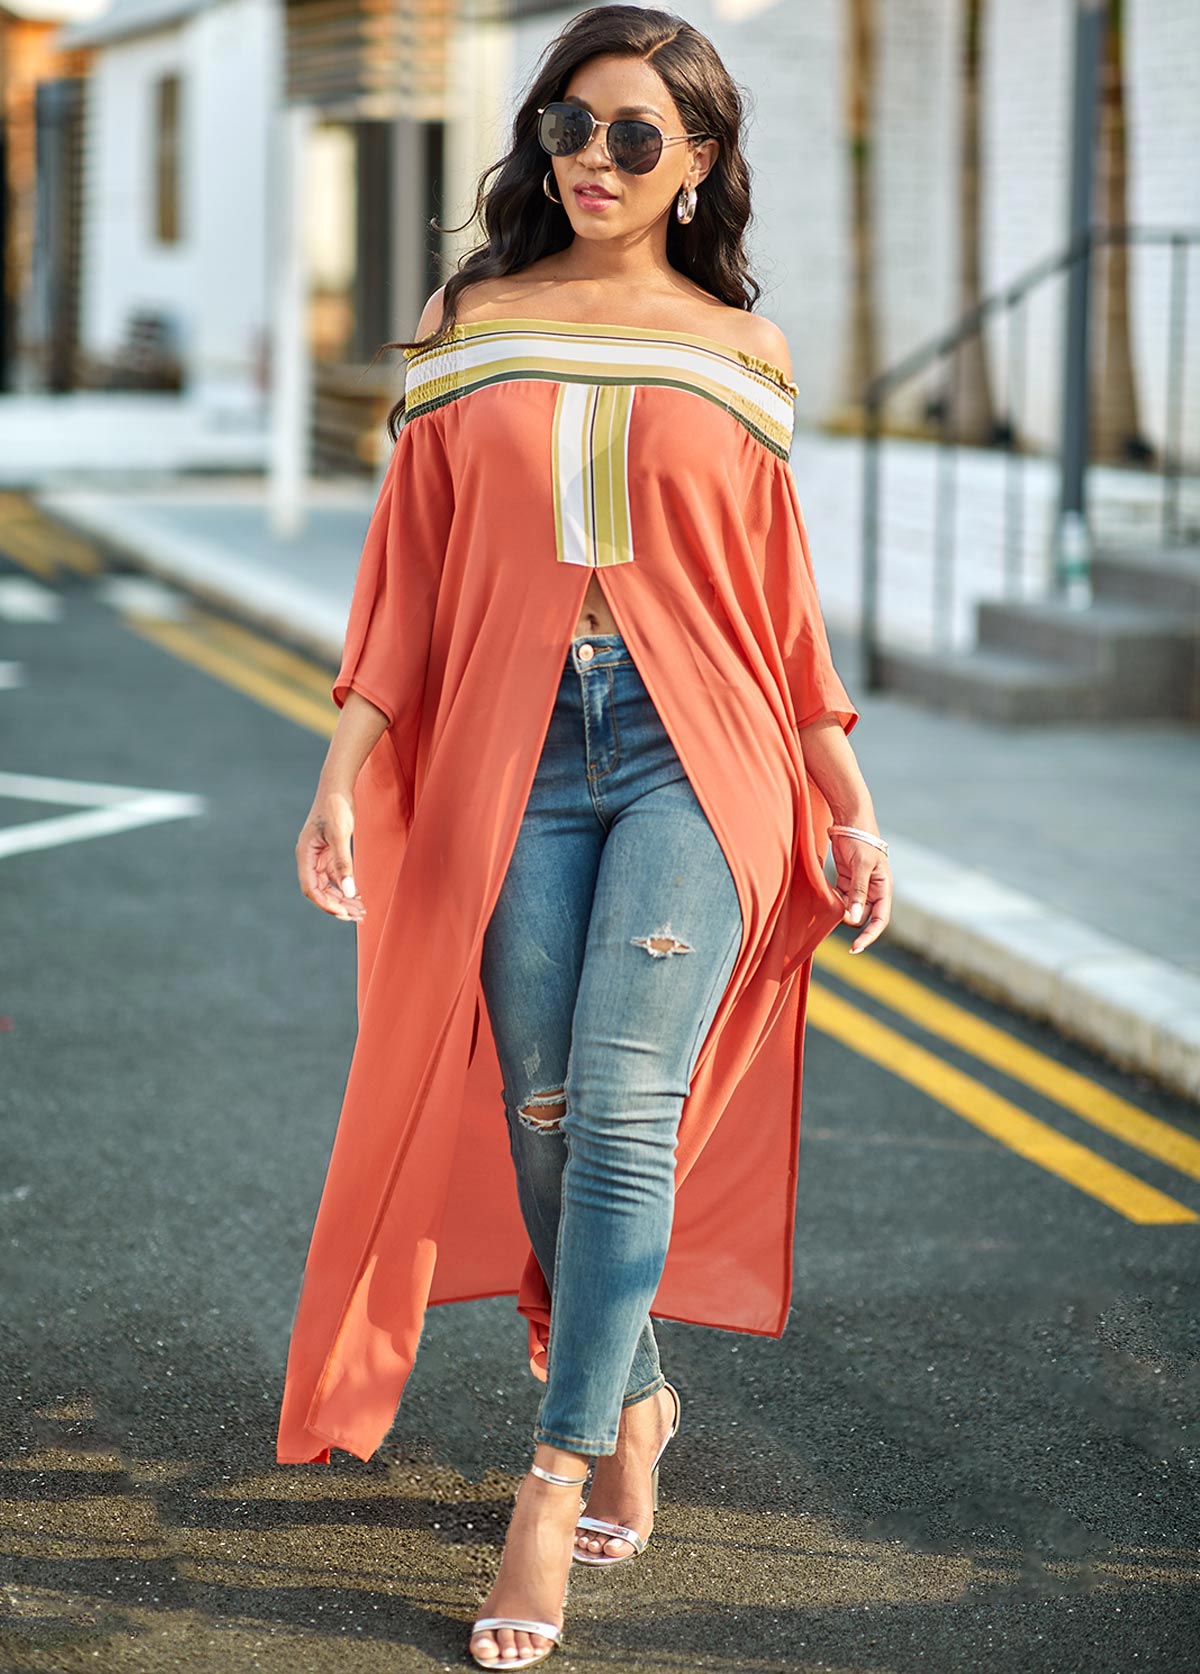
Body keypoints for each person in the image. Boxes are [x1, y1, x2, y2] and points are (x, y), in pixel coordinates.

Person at [283, 7, 892, 1669]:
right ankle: (629, 1392)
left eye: (638, 135)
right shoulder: (469, 318)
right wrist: (343, 766)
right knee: (538, 1099)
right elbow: (403, 572)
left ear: (698, 166)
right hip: (510, 747)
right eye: (570, 125)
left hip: (704, 754)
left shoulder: (740, 349)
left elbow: (780, 602)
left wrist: (844, 795)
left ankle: (547, 1481)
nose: (595, 161)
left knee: (624, 1096)